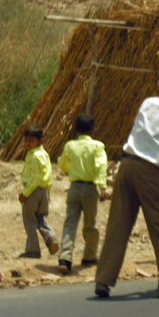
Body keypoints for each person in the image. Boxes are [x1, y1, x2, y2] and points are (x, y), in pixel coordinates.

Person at [94, 73, 159, 299]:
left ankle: (103, 280)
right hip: (151, 171)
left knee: (118, 225)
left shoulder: (148, 103)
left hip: (127, 164)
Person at [56, 114, 108, 274]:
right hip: (90, 189)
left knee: (70, 222)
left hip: (74, 188)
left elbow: (63, 164)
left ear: (76, 130)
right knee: (90, 224)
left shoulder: (70, 146)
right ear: (93, 129)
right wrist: (103, 187)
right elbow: (101, 166)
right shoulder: (97, 146)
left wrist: (67, 170)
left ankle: (65, 258)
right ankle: (89, 256)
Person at [18, 126, 59, 259]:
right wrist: (48, 192)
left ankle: (33, 250)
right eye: (26, 140)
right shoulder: (45, 154)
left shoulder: (34, 157)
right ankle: (51, 238)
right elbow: (48, 174)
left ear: (40, 140)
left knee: (30, 221)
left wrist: (25, 193)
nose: (28, 143)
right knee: (41, 219)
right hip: (43, 191)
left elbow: (36, 178)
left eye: (31, 140)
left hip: (33, 191)